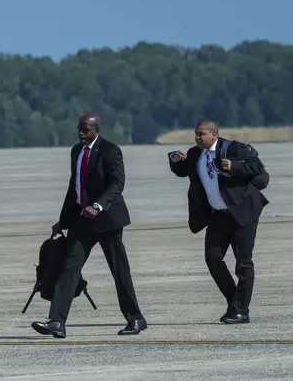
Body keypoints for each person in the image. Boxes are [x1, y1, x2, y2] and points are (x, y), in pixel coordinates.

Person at [32, 112, 147, 338]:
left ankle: (136, 318)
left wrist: (97, 205)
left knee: (119, 270)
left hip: (108, 220)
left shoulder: (111, 151)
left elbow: (117, 184)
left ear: (97, 130)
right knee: (70, 268)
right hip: (81, 221)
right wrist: (63, 221)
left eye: (86, 129)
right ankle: (56, 321)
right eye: (80, 128)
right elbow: (74, 187)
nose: (81, 132)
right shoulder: (76, 151)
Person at [168, 118, 269, 324]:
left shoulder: (235, 149)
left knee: (243, 264)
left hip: (242, 214)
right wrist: (174, 159)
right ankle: (235, 302)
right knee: (213, 259)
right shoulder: (196, 154)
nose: (197, 137)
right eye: (196, 133)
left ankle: (241, 310)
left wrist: (236, 166)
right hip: (216, 216)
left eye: (201, 133)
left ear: (214, 134)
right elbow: (182, 170)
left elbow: (260, 172)